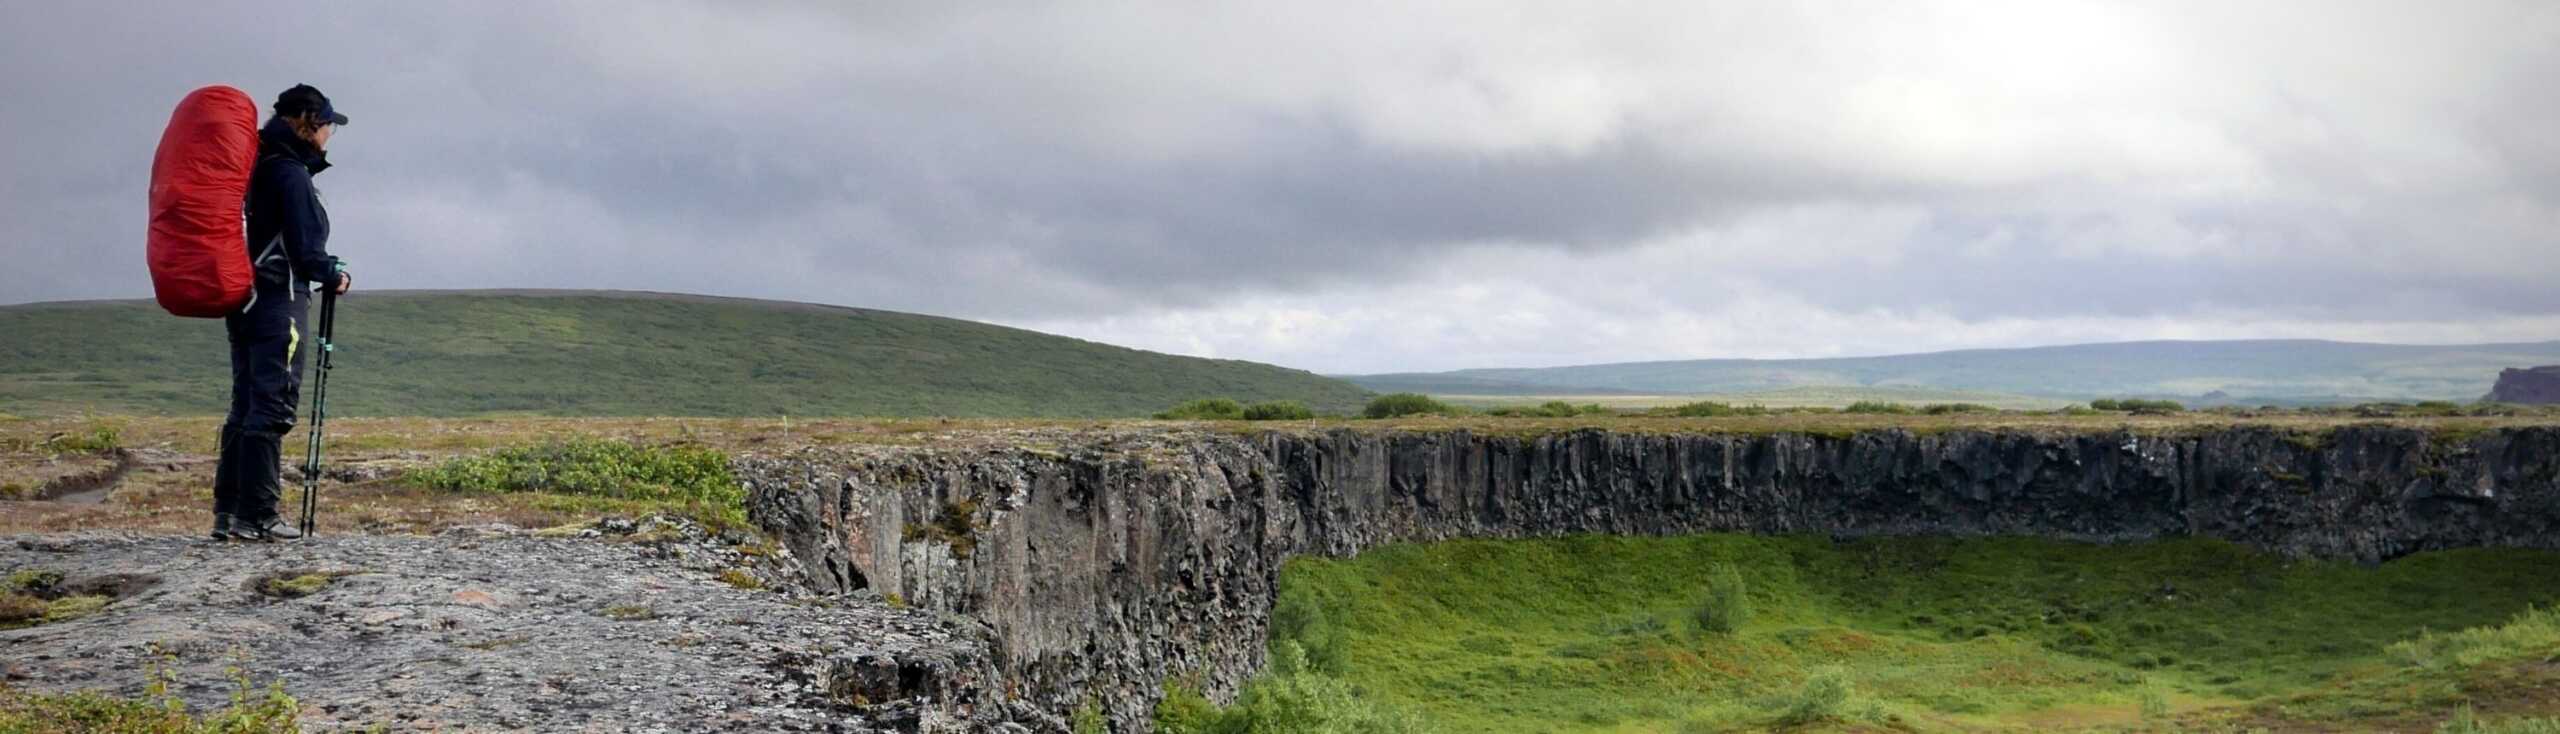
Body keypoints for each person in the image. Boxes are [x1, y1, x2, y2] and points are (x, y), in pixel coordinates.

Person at [211, 84, 353, 541]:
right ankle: (259, 516)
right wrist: (332, 274)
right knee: (271, 407)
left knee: (246, 403)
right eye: (328, 123)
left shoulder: (259, 165)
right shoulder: (290, 174)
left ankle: (229, 513)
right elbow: (307, 249)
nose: (331, 132)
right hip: (278, 299)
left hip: (246, 299)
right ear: (309, 122)